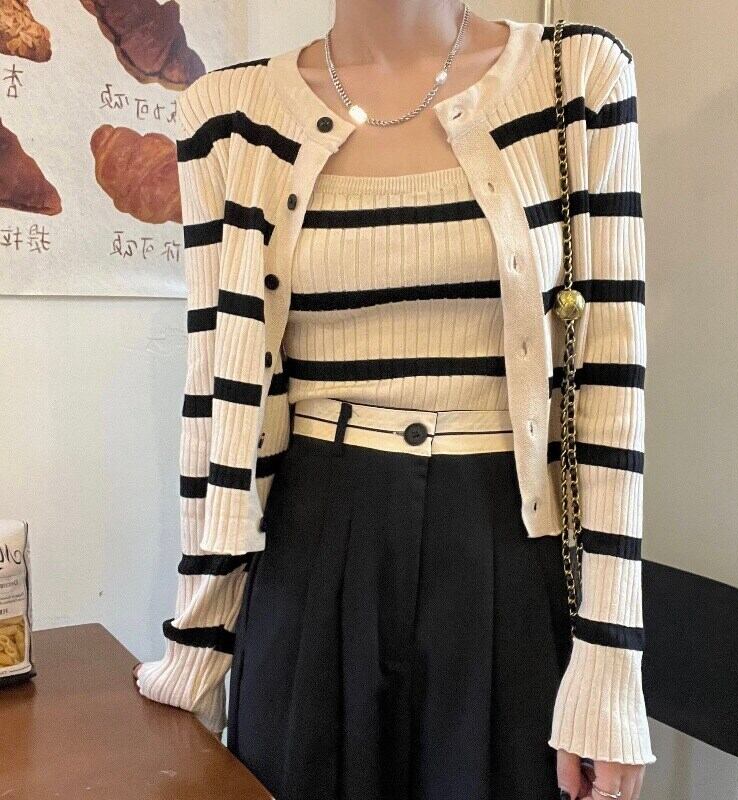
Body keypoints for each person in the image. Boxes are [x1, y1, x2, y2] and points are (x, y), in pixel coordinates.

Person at [134, 3, 654, 798]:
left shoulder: (576, 77)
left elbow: (609, 387)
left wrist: (610, 669)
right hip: (308, 549)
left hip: (506, 553)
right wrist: (199, 648)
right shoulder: (227, 116)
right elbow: (216, 393)